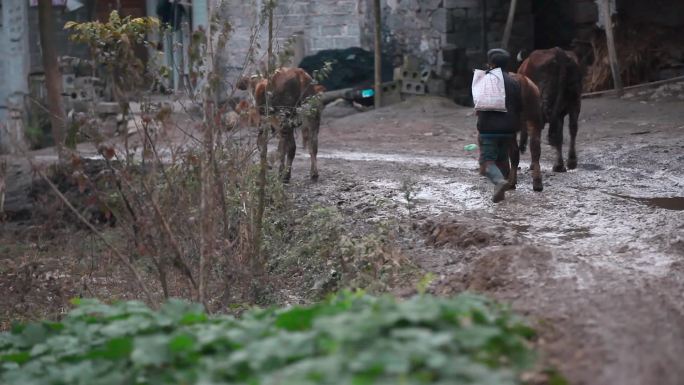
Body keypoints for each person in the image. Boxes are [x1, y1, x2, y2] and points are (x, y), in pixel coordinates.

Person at [477, 48, 522, 203]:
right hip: (509, 131)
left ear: (492, 64)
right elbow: (519, 107)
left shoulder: (484, 80)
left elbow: (478, 104)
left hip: (489, 130)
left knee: (486, 164)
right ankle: (501, 196)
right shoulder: (514, 82)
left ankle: (499, 182)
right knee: (502, 160)